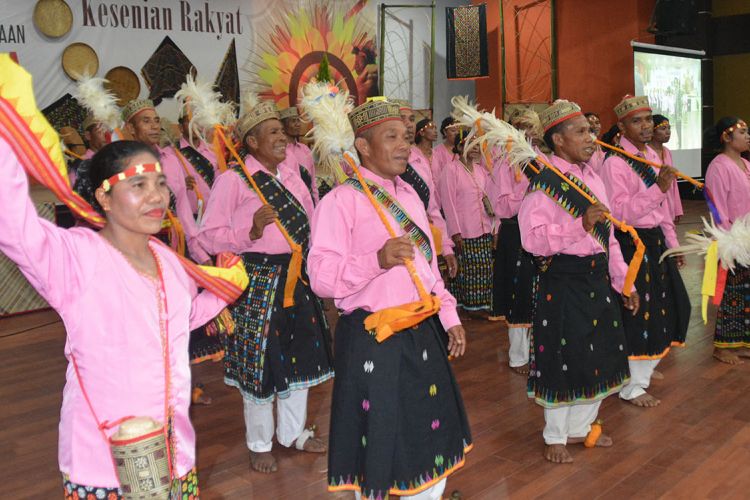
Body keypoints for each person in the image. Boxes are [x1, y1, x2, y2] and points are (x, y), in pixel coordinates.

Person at [0, 137, 238, 497]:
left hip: (174, 453)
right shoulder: (77, 258)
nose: (157, 196)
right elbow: (14, 226)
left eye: (160, 183)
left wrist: (225, 290)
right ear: (104, 198)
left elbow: (181, 318)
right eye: (138, 185)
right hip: (105, 460)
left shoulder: (168, 260)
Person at [308, 99, 471, 499]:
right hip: (372, 338)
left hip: (422, 331)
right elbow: (321, 278)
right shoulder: (340, 201)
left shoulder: (409, 197)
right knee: (384, 440)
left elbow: (428, 271)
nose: (404, 145)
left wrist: (449, 317)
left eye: (406, 136)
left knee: (430, 433)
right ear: (362, 147)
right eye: (391, 136)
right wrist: (376, 260)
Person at [197, 97, 333, 474]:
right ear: (252, 142)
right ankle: (259, 443)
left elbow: (309, 221)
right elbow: (210, 237)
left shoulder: (290, 174)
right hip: (257, 282)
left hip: (297, 277)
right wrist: (252, 230)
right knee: (260, 367)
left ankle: (294, 434)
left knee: (300, 359)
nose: (281, 137)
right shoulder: (233, 180)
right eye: (272, 132)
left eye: (280, 130)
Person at [518, 99, 637, 464]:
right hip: (563, 279)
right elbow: (532, 239)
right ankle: (555, 434)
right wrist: (578, 225)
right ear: (557, 140)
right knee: (562, 354)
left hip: (596, 277)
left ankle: (582, 428)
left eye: (591, 130)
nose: (591, 137)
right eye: (581, 131)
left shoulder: (592, 178)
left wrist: (624, 282)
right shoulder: (545, 184)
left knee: (598, 352)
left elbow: (609, 237)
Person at [600, 96, 690, 408]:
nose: (646, 125)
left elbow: (663, 212)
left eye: (648, 119)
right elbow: (620, 213)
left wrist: (672, 244)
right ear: (622, 127)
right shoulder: (614, 164)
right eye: (637, 121)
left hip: (655, 243)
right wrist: (658, 189)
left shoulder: (652, 155)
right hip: (630, 244)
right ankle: (632, 384)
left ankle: (642, 367)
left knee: (672, 306)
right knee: (638, 312)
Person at [121, 99, 209, 263]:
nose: (154, 126)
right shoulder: (123, 163)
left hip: (174, 246)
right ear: (131, 128)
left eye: (156, 121)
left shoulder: (170, 160)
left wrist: (199, 253)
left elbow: (183, 211)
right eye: (146, 121)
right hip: (138, 248)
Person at [489, 109, 544, 373]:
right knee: (517, 293)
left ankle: (538, 353)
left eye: (530, 127)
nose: (526, 132)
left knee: (539, 292)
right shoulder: (504, 161)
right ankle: (518, 357)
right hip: (515, 233)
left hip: (540, 232)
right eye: (520, 127)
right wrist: (528, 191)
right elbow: (500, 207)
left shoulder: (541, 159)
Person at [704, 117, 750, 364]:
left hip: (748, 237)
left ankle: (743, 342)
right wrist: (727, 237)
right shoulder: (719, 166)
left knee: (747, 293)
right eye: (742, 132)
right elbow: (716, 205)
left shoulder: (745, 163)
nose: (747, 136)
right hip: (732, 239)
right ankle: (723, 346)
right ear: (726, 137)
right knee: (731, 293)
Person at [396, 101, 457, 279]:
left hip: (423, 243)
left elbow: (433, 208)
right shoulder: (381, 163)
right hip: (394, 248)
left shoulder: (420, 160)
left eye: (412, 119)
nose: (408, 124)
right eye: (402, 118)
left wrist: (446, 247)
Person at [438, 129, 496, 314]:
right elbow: (448, 203)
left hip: (484, 228)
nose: (475, 149)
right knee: (467, 270)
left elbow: (490, 201)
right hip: (464, 231)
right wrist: (455, 233)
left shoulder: (481, 171)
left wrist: (494, 229)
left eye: (477, 145)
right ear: (460, 146)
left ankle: (482, 306)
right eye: (470, 144)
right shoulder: (451, 169)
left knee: (484, 269)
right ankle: (467, 308)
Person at [174, 111, 219, 217]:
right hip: (186, 218)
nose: (195, 125)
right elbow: (164, 185)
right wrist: (180, 185)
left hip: (213, 215)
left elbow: (220, 183)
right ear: (180, 127)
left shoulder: (213, 150)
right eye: (189, 122)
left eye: (198, 121)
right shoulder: (171, 152)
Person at [280, 105, 318, 203]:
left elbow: (313, 182)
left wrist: (316, 203)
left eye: (298, 120)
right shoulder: (280, 152)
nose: (297, 124)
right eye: (293, 121)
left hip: (308, 201)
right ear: (283, 126)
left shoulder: (305, 150)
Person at [651, 114, 684, 223]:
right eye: (663, 128)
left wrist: (677, 209)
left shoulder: (667, 152)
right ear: (652, 131)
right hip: (653, 204)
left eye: (669, 128)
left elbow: (673, 183)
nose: (668, 131)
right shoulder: (644, 153)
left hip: (669, 201)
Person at [431, 116, 458, 183]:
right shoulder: (436, 152)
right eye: (453, 131)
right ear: (445, 132)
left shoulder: (463, 151)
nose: (456, 133)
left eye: (458, 131)